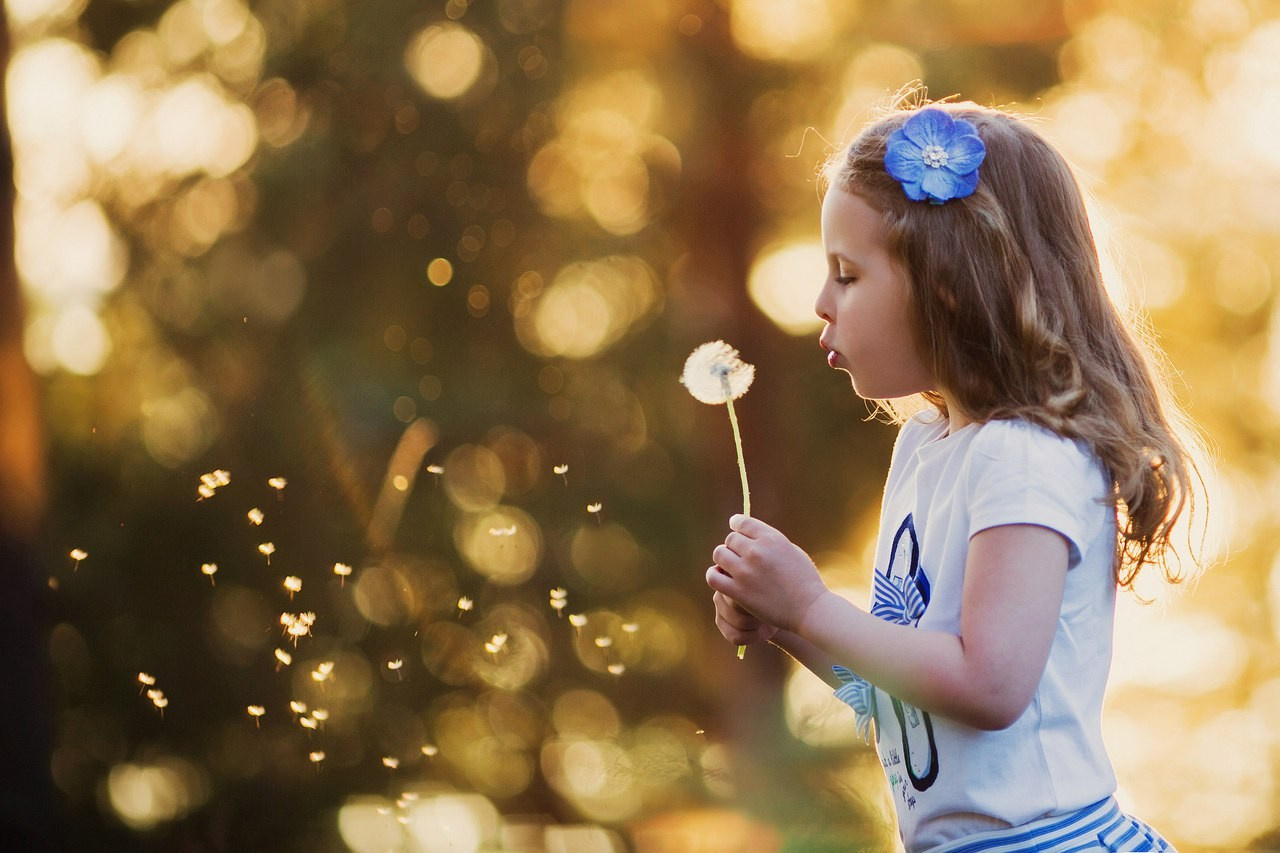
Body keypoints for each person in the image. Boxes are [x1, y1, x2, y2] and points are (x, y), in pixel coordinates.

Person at [706, 99, 1204, 852]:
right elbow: (904, 696)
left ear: (948, 284)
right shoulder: (926, 447)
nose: (820, 302)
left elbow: (988, 686)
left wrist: (811, 603)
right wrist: (785, 623)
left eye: (847, 274)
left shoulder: (1025, 455)